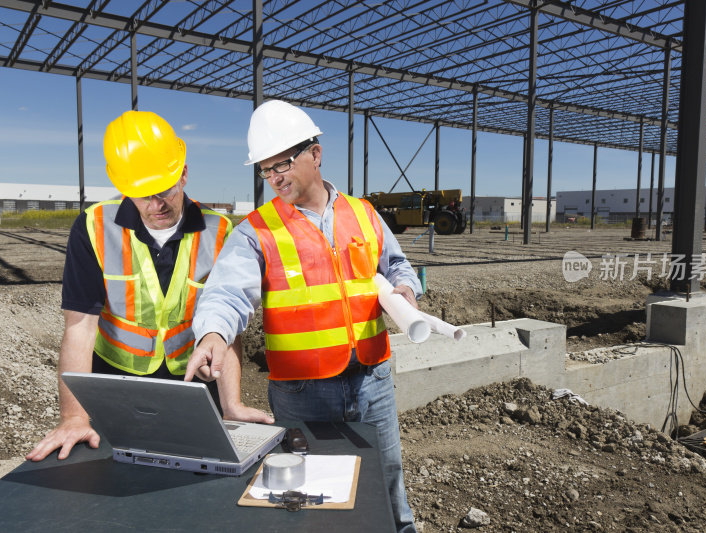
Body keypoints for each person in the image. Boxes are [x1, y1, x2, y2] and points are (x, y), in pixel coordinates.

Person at [186, 100, 421, 532]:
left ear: (315, 154)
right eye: (264, 169)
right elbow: (226, 293)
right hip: (302, 393)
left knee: (388, 483)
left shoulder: (364, 213)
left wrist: (406, 290)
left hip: (373, 381)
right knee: (308, 499)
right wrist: (214, 335)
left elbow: (399, 266)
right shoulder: (255, 231)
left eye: (283, 164)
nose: (274, 177)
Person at [27, 110, 272, 463]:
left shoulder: (220, 232)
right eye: (141, 195)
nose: (156, 205)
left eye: (164, 191)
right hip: (116, 384)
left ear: (183, 173)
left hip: (194, 385)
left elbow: (228, 328)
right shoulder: (94, 227)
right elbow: (79, 329)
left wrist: (230, 403)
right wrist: (74, 417)